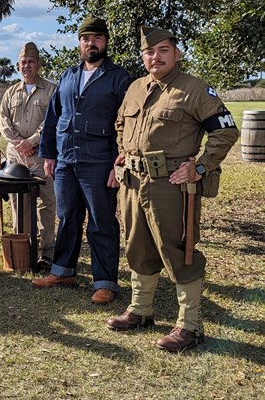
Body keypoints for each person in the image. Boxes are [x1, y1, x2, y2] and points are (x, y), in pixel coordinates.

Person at [107, 26, 238, 351]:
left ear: (176, 54)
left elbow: (226, 130)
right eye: (149, 52)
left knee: (180, 250)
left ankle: (189, 326)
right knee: (137, 246)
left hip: (171, 186)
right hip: (134, 184)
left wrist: (201, 166)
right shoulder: (136, 88)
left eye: (164, 50)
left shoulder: (193, 89)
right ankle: (140, 310)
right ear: (143, 56)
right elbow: (121, 122)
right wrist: (124, 150)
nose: (156, 56)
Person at [32, 16, 132, 305]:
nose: (92, 43)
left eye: (97, 38)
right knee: (68, 217)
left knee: (101, 222)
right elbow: (54, 116)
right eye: (86, 38)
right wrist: (49, 153)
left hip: (100, 162)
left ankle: (105, 282)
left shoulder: (118, 79)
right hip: (66, 160)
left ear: (106, 42)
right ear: (79, 43)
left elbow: (126, 123)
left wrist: (118, 163)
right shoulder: (69, 75)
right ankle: (62, 271)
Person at [0, 42, 57, 268]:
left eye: (31, 62)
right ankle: (22, 249)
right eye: (23, 62)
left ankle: (46, 253)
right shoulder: (10, 92)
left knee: (46, 203)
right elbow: (4, 122)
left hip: (42, 156)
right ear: (18, 66)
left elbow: (52, 121)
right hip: (16, 159)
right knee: (18, 202)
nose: (27, 66)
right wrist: (18, 143)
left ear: (39, 65)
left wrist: (32, 142)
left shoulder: (51, 90)